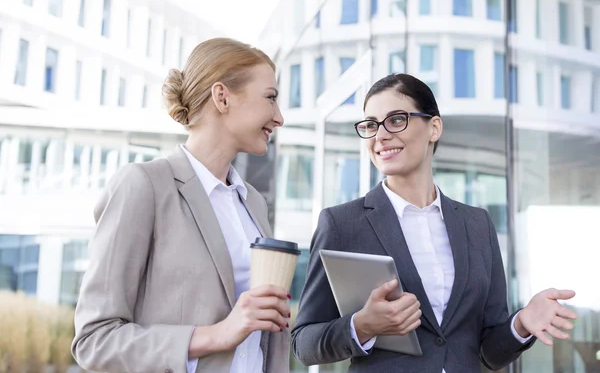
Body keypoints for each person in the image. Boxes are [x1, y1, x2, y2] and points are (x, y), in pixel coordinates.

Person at [291, 73, 578, 372]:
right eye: (371, 125)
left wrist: (521, 323)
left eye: (396, 119)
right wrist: (362, 326)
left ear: (434, 127)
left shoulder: (477, 224)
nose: (380, 135)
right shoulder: (342, 223)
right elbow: (304, 343)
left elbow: (489, 353)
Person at [72, 38, 291, 373]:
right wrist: (216, 335)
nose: (279, 117)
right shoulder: (144, 185)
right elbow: (95, 340)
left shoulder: (253, 203)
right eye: (270, 98)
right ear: (222, 97)